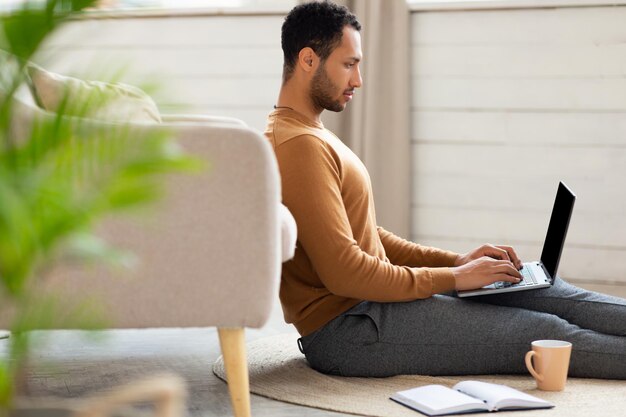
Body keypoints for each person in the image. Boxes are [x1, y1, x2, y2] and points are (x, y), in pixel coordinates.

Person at [265, 0, 626, 379]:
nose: (358, 80)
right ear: (308, 60)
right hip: (351, 329)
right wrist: (454, 280)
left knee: (543, 291)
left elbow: (368, 236)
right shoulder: (296, 146)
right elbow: (346, 274)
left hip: (373, 307)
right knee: (544, 334)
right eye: (349, 64)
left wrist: (458, 263)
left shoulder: (313, 135)